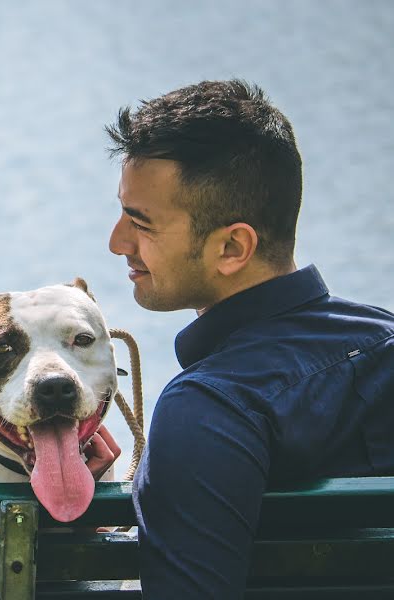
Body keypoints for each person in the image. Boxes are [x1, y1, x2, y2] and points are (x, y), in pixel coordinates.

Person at [105, 79, 394, 598]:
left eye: (140, 223)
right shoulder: (385, 341)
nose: (116, 242)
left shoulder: (208, 409)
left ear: (233, 247)